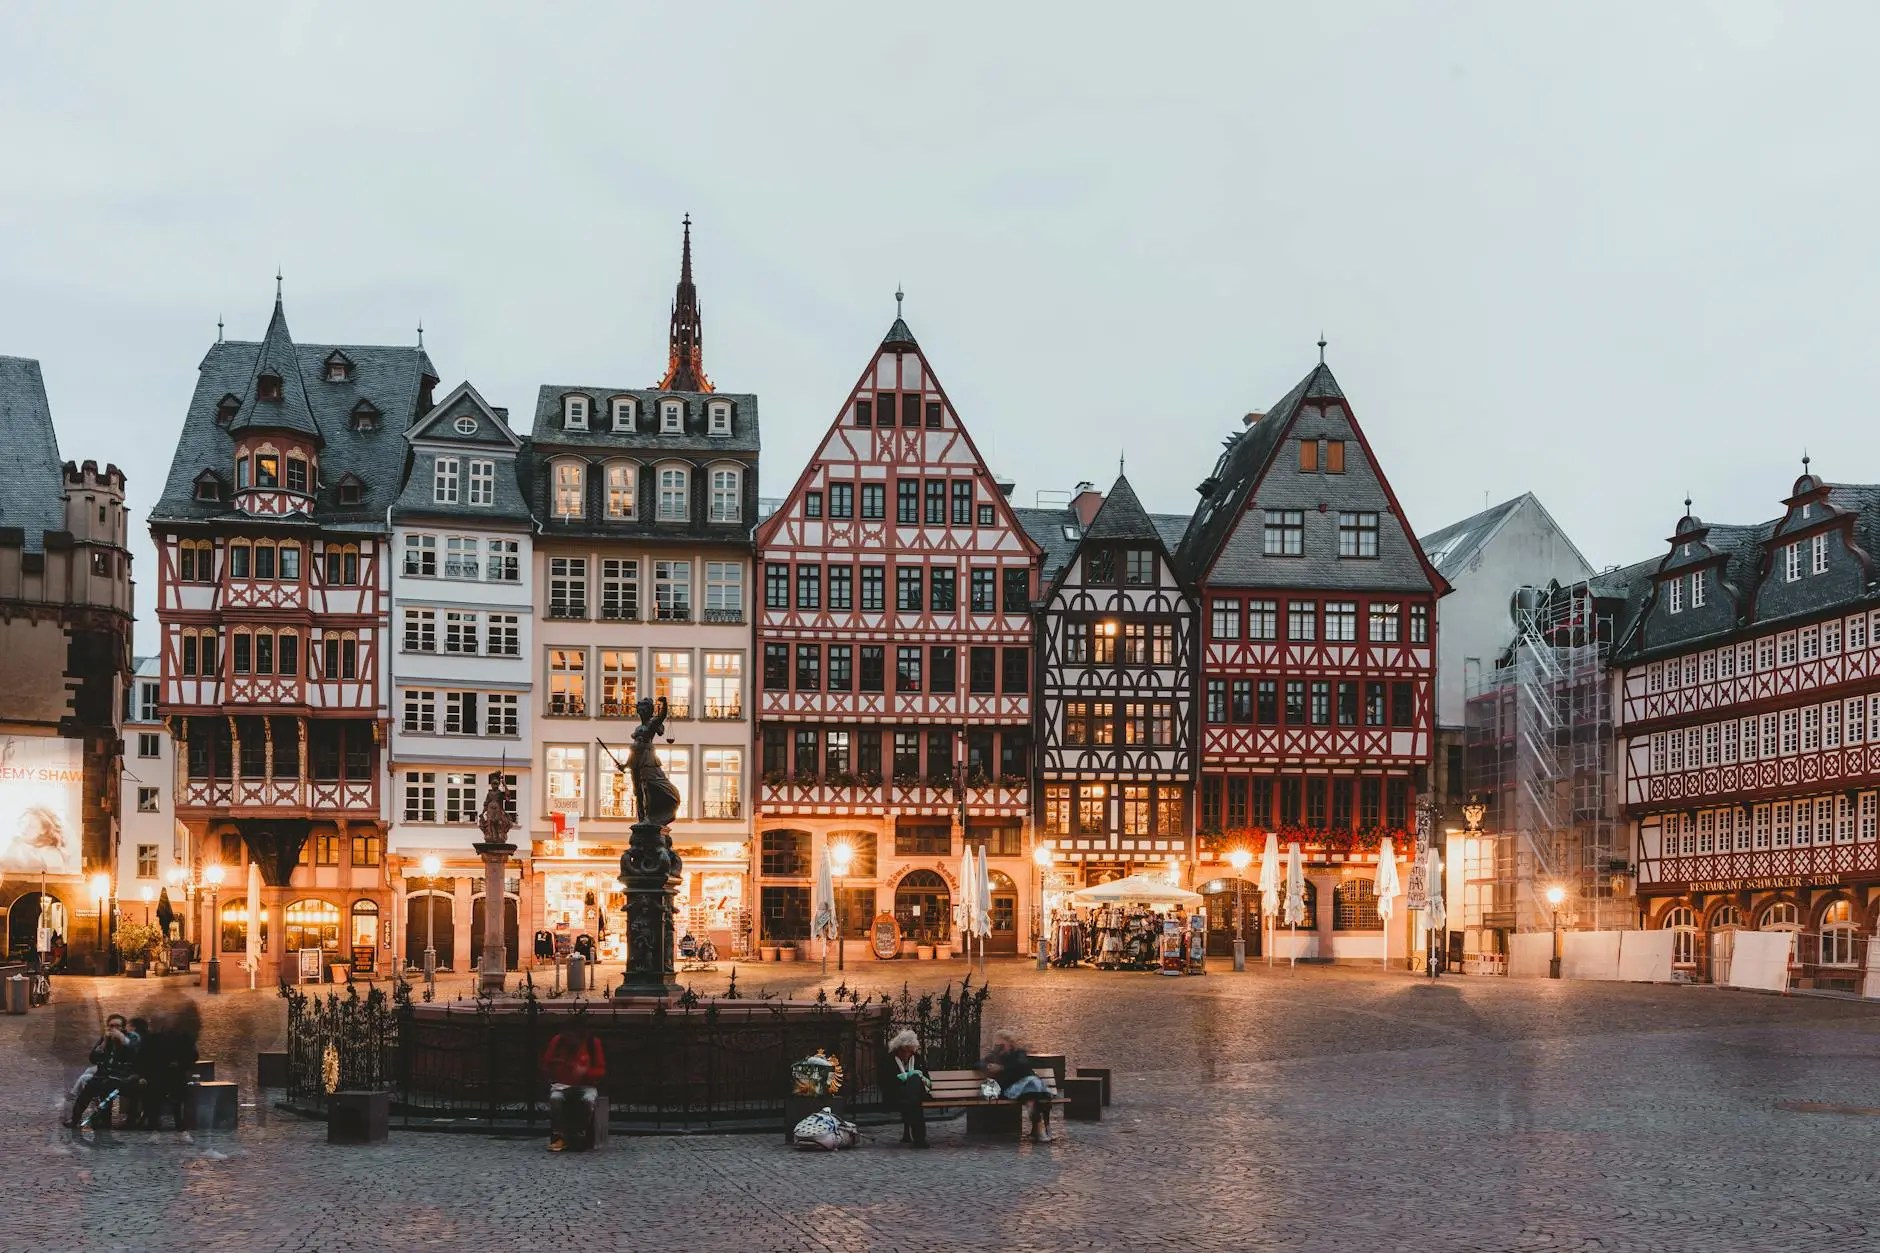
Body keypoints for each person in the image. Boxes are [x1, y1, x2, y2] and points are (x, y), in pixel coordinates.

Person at [540, 1019, 606, 1152]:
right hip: (561, 1085)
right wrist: (559, 1066)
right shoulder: (558, 1041)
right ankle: (560, 1137)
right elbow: (546, 1064)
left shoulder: (592, 1044)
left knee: (588, 1100)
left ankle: (580, 1135)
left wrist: (585, 1073)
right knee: (556, 1099)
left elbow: (601, 1069)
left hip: (585, 1085)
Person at [68, 1013, 140, 1130]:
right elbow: (93, 1058)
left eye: (117, 1026)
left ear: (123, 1027)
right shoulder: (106, 1039)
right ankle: (75, 1119)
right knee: (89, 1088)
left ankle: (104, 1120)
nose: (114, 1029)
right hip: (104, 1075)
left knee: (106, 1087)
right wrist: (103, 1044)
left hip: (121, 1076)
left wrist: (122, 1039)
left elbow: (134, 1053)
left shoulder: (131, 1038)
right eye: (111, 1026)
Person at [983, 1027, 1053, 1142]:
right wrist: (988, 1066)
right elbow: (978, 1064)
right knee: (1033, 1086)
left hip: (1027, 1090)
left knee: (1031, 1092)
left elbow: (1023, 1067)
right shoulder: (994, 1056)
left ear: (1010, 1043)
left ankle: (1038, 1127)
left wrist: (1002, 1068)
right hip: (1011, 1090)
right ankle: (1039, 1128)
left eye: (1001, 1044)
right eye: (997, 1045)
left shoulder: (1018, 1054)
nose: (999, 1047)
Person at [887, 1029, 930, 1148]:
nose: (906, 1054)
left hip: (915, 1095)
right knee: (915, 1103)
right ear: (898, 1049)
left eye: (909, 1051)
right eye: (903, 1051)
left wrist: (914, 1076)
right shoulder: (889, 1059)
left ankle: (918, 1138)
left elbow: (926, 1078)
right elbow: (887, 1082)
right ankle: (920, 1139)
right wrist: (904, 1078)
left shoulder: (917, 1058)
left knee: (915, 1080)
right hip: (897, 1093)